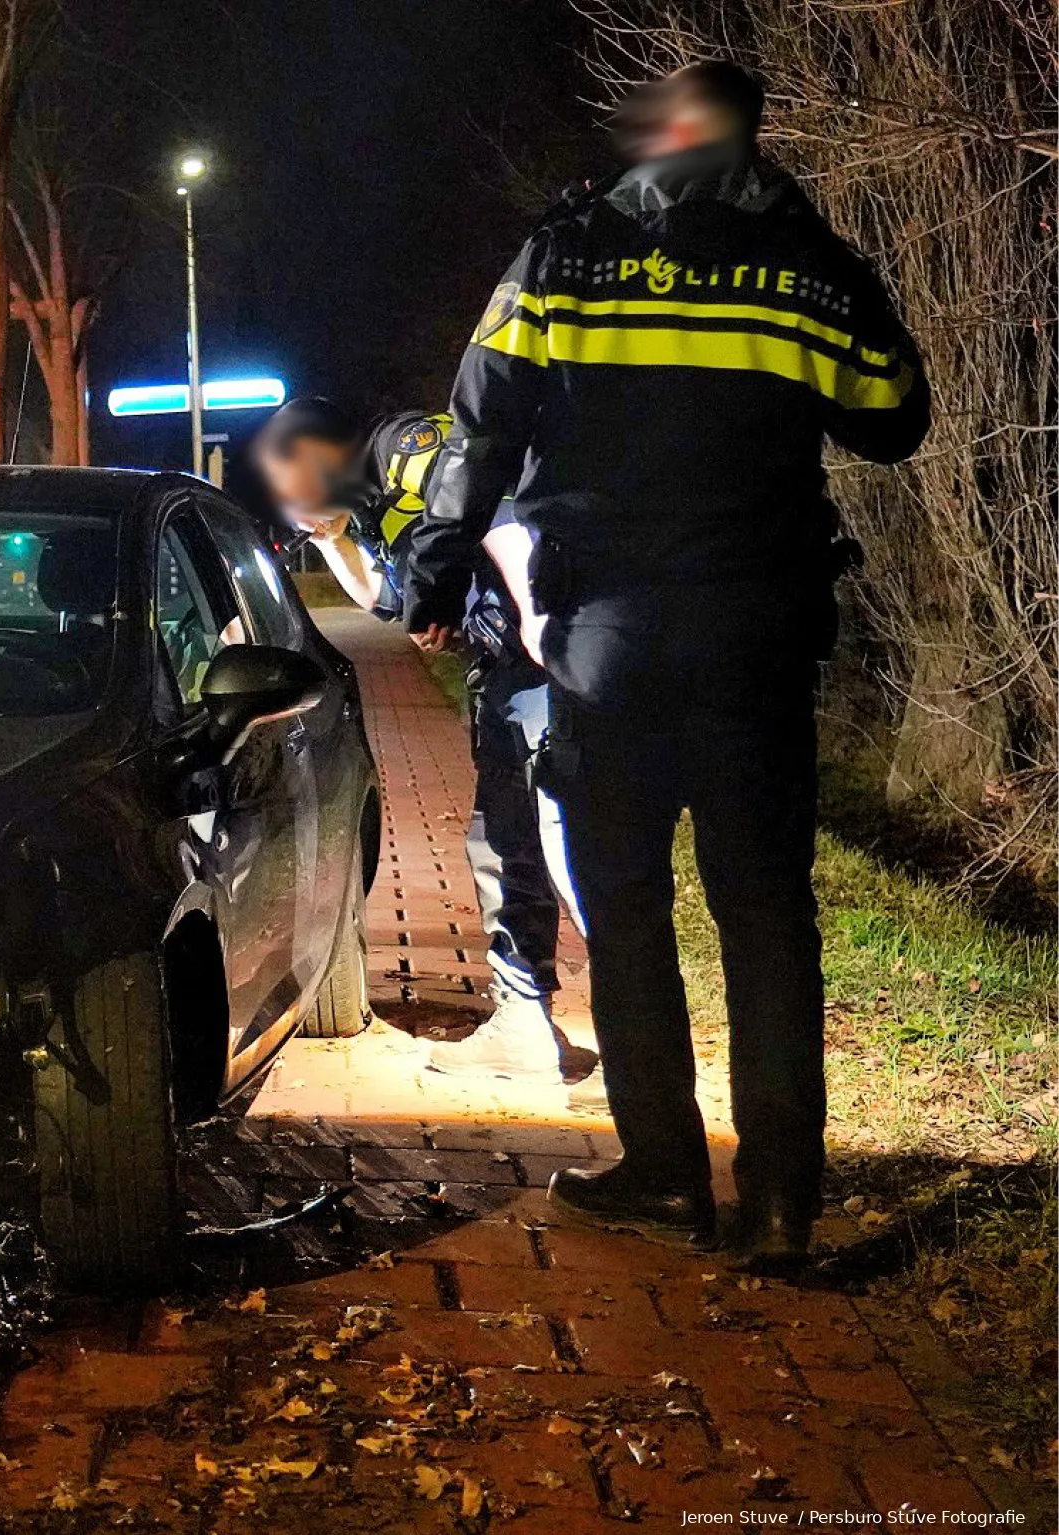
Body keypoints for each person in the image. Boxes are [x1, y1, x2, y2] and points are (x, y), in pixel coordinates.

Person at [402, 61, 929, 1272]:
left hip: (608, 641)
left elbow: (479, 426)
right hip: (754, 635)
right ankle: (784, 1198)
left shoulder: (566, 254)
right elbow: (893, 419)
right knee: (764, 914)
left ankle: (664, 1176)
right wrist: (817, 265)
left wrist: (429, 570)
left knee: (627, 911)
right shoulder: (803, 266)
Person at [252, 398, 576, 1085]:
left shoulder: (405, 445)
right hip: (507, 672)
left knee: (565, 832)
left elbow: (499, 513)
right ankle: (523, 1021)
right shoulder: (366, 508)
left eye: (289, 481)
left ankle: (641, 1017)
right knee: (500, 838)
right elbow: (390, 602)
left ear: (314, 452)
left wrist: (540, 623)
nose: (287, 503)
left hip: (549, 658)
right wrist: (333, 536)